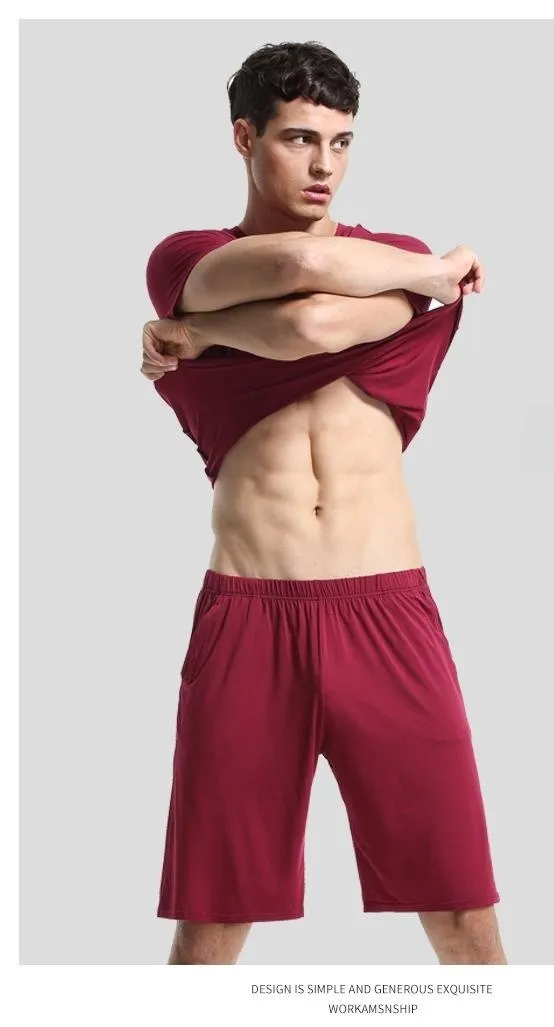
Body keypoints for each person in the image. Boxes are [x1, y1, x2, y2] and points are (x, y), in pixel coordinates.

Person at [141, 40, 507, 966]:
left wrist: (204, 338)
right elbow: (305, 302)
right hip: (249, 611)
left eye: (342, 143)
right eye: (300, 139)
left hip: (386, 609)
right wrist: (430, 281)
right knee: (213, 922)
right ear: (244, 137)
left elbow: (306, 322)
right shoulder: (186, 259)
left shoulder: (397, 256)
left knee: (463, 913)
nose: (325, 167)